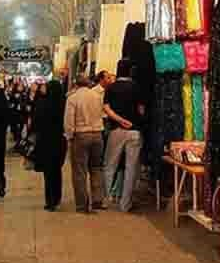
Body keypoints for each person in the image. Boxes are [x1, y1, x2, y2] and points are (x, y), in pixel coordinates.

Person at [103, 59, 144, 212]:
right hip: (134, 131)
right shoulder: (137, 87)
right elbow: (141, 109)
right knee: (131, 168)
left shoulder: (111, 87)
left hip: (116, 130)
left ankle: (107, 199)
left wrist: (120, 120)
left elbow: (106, 108)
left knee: (109, 165)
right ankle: (125, 204)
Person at [64, 74, 107, 213]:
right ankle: (97, 200)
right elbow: (103, 115)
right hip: (97, 134)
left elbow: (69, 121)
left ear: (76, 84)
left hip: (81, 135)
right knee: (96, 168)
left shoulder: (72, 98)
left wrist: (69, 136)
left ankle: (82, 205)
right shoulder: (97, 96)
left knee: (79, 171)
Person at [33, 79, 68, 211]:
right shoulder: (64, 104)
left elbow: (36, 123)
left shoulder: (43, 103)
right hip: (59, 141)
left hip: (45, 141)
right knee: (57, 170)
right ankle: (57, 197)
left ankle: (50, 201)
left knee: (48, 172)